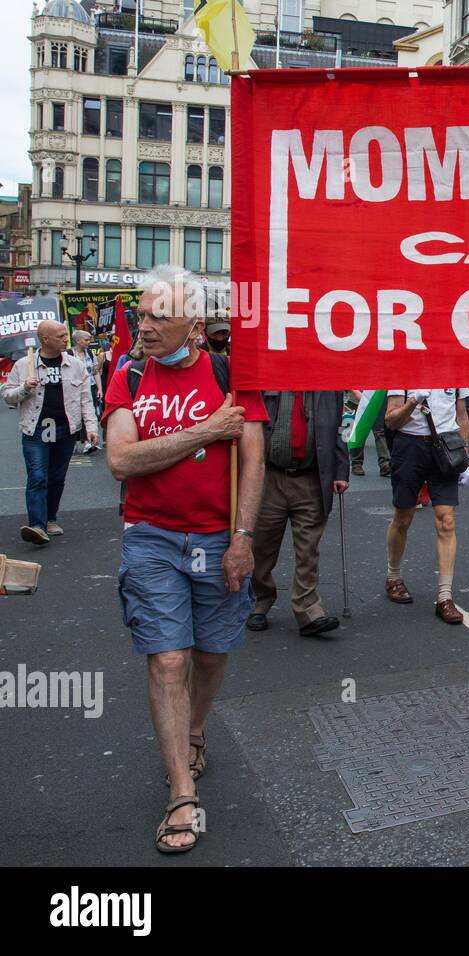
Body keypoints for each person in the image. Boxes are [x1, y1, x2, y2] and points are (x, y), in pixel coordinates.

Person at [102, 264, 268, 853]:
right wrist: (204, 431)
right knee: (169, 659)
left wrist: (243, 539)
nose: (142, 326)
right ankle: (180, 792)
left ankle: (195, 728)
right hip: (151, 537)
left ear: (192, 326)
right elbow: (122, 461)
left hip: (219, 539)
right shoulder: (126, 374)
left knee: (212, 652)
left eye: (156, 317)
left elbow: (252, 461)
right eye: (141, 313)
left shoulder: (231, 375)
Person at [246, 391, 350, 637]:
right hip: (270, 477)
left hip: (311, 479)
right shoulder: (270, 379)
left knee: (308, 550)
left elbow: (340, 428)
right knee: (262, 545)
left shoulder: (329, 385)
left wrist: (341, 470)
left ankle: (308, 610)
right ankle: (259, 600)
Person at [3, 319, 99, 544]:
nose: (66, 339)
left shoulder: (75, 365)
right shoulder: (24, 365)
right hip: (35, 430)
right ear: (44, 339)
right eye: (60, 336)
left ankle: (50, 518)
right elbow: (7, 396)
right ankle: (37, 525)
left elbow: (86, 399)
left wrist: (91, 428)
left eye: (66, 335)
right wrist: (24, 388)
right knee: (37, 477)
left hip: (66, 429)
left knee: (56, 478)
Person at [382, 388, 469, 623]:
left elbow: (461, 415)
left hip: (446, 445)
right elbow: (391, 420)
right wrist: (414, 400)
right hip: (409, 447)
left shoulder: (456, 370)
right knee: (404, 517)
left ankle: (445, 596)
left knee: (447, 520)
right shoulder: (404, 371)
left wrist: (466, 454)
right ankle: (393, 576)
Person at [348, 391, 391, 478]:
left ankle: (384, 464)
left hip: (376, 394)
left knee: (379, 430)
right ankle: (356, 463)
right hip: (356, 397)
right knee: (357, 430)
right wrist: (355, 390)